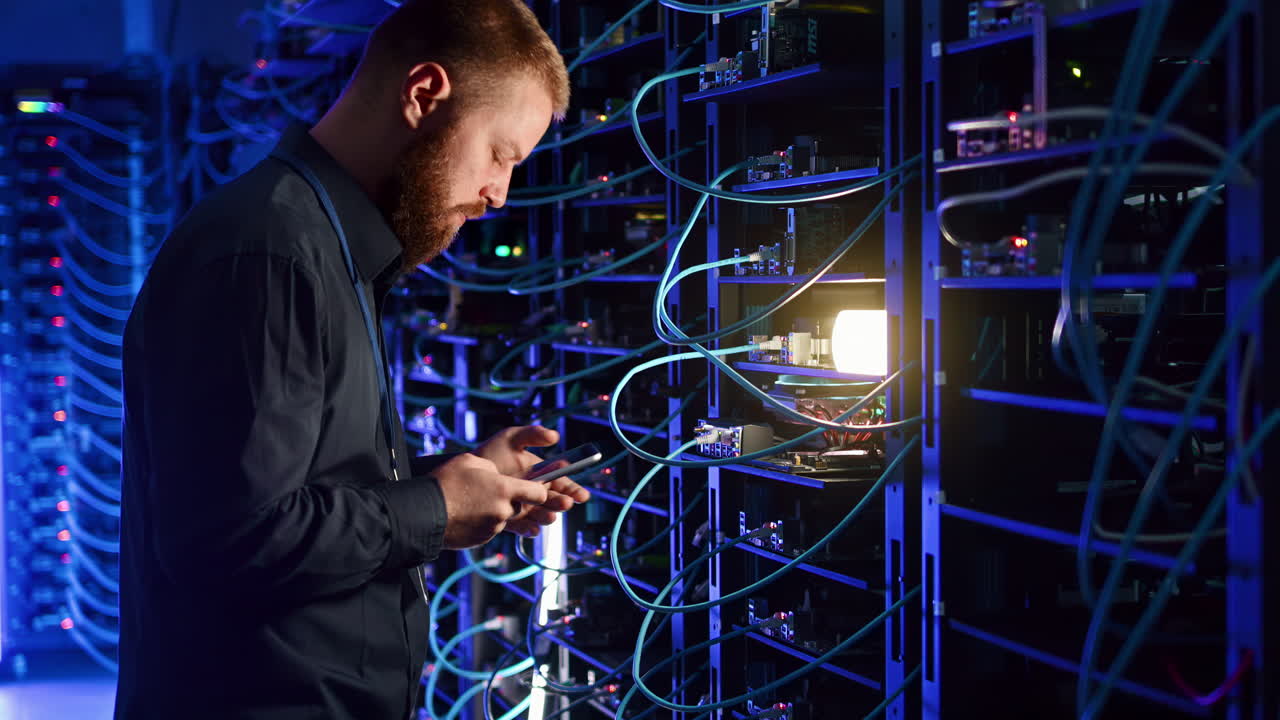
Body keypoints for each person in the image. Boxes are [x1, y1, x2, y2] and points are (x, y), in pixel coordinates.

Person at [113, 1, 580, 718]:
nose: (498, 194)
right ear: (424, 96)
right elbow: (225, 540)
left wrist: (462, 484)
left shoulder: (326, 248)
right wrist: (434, 508)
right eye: (500, 154)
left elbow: (296, 489)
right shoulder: (271, 254)